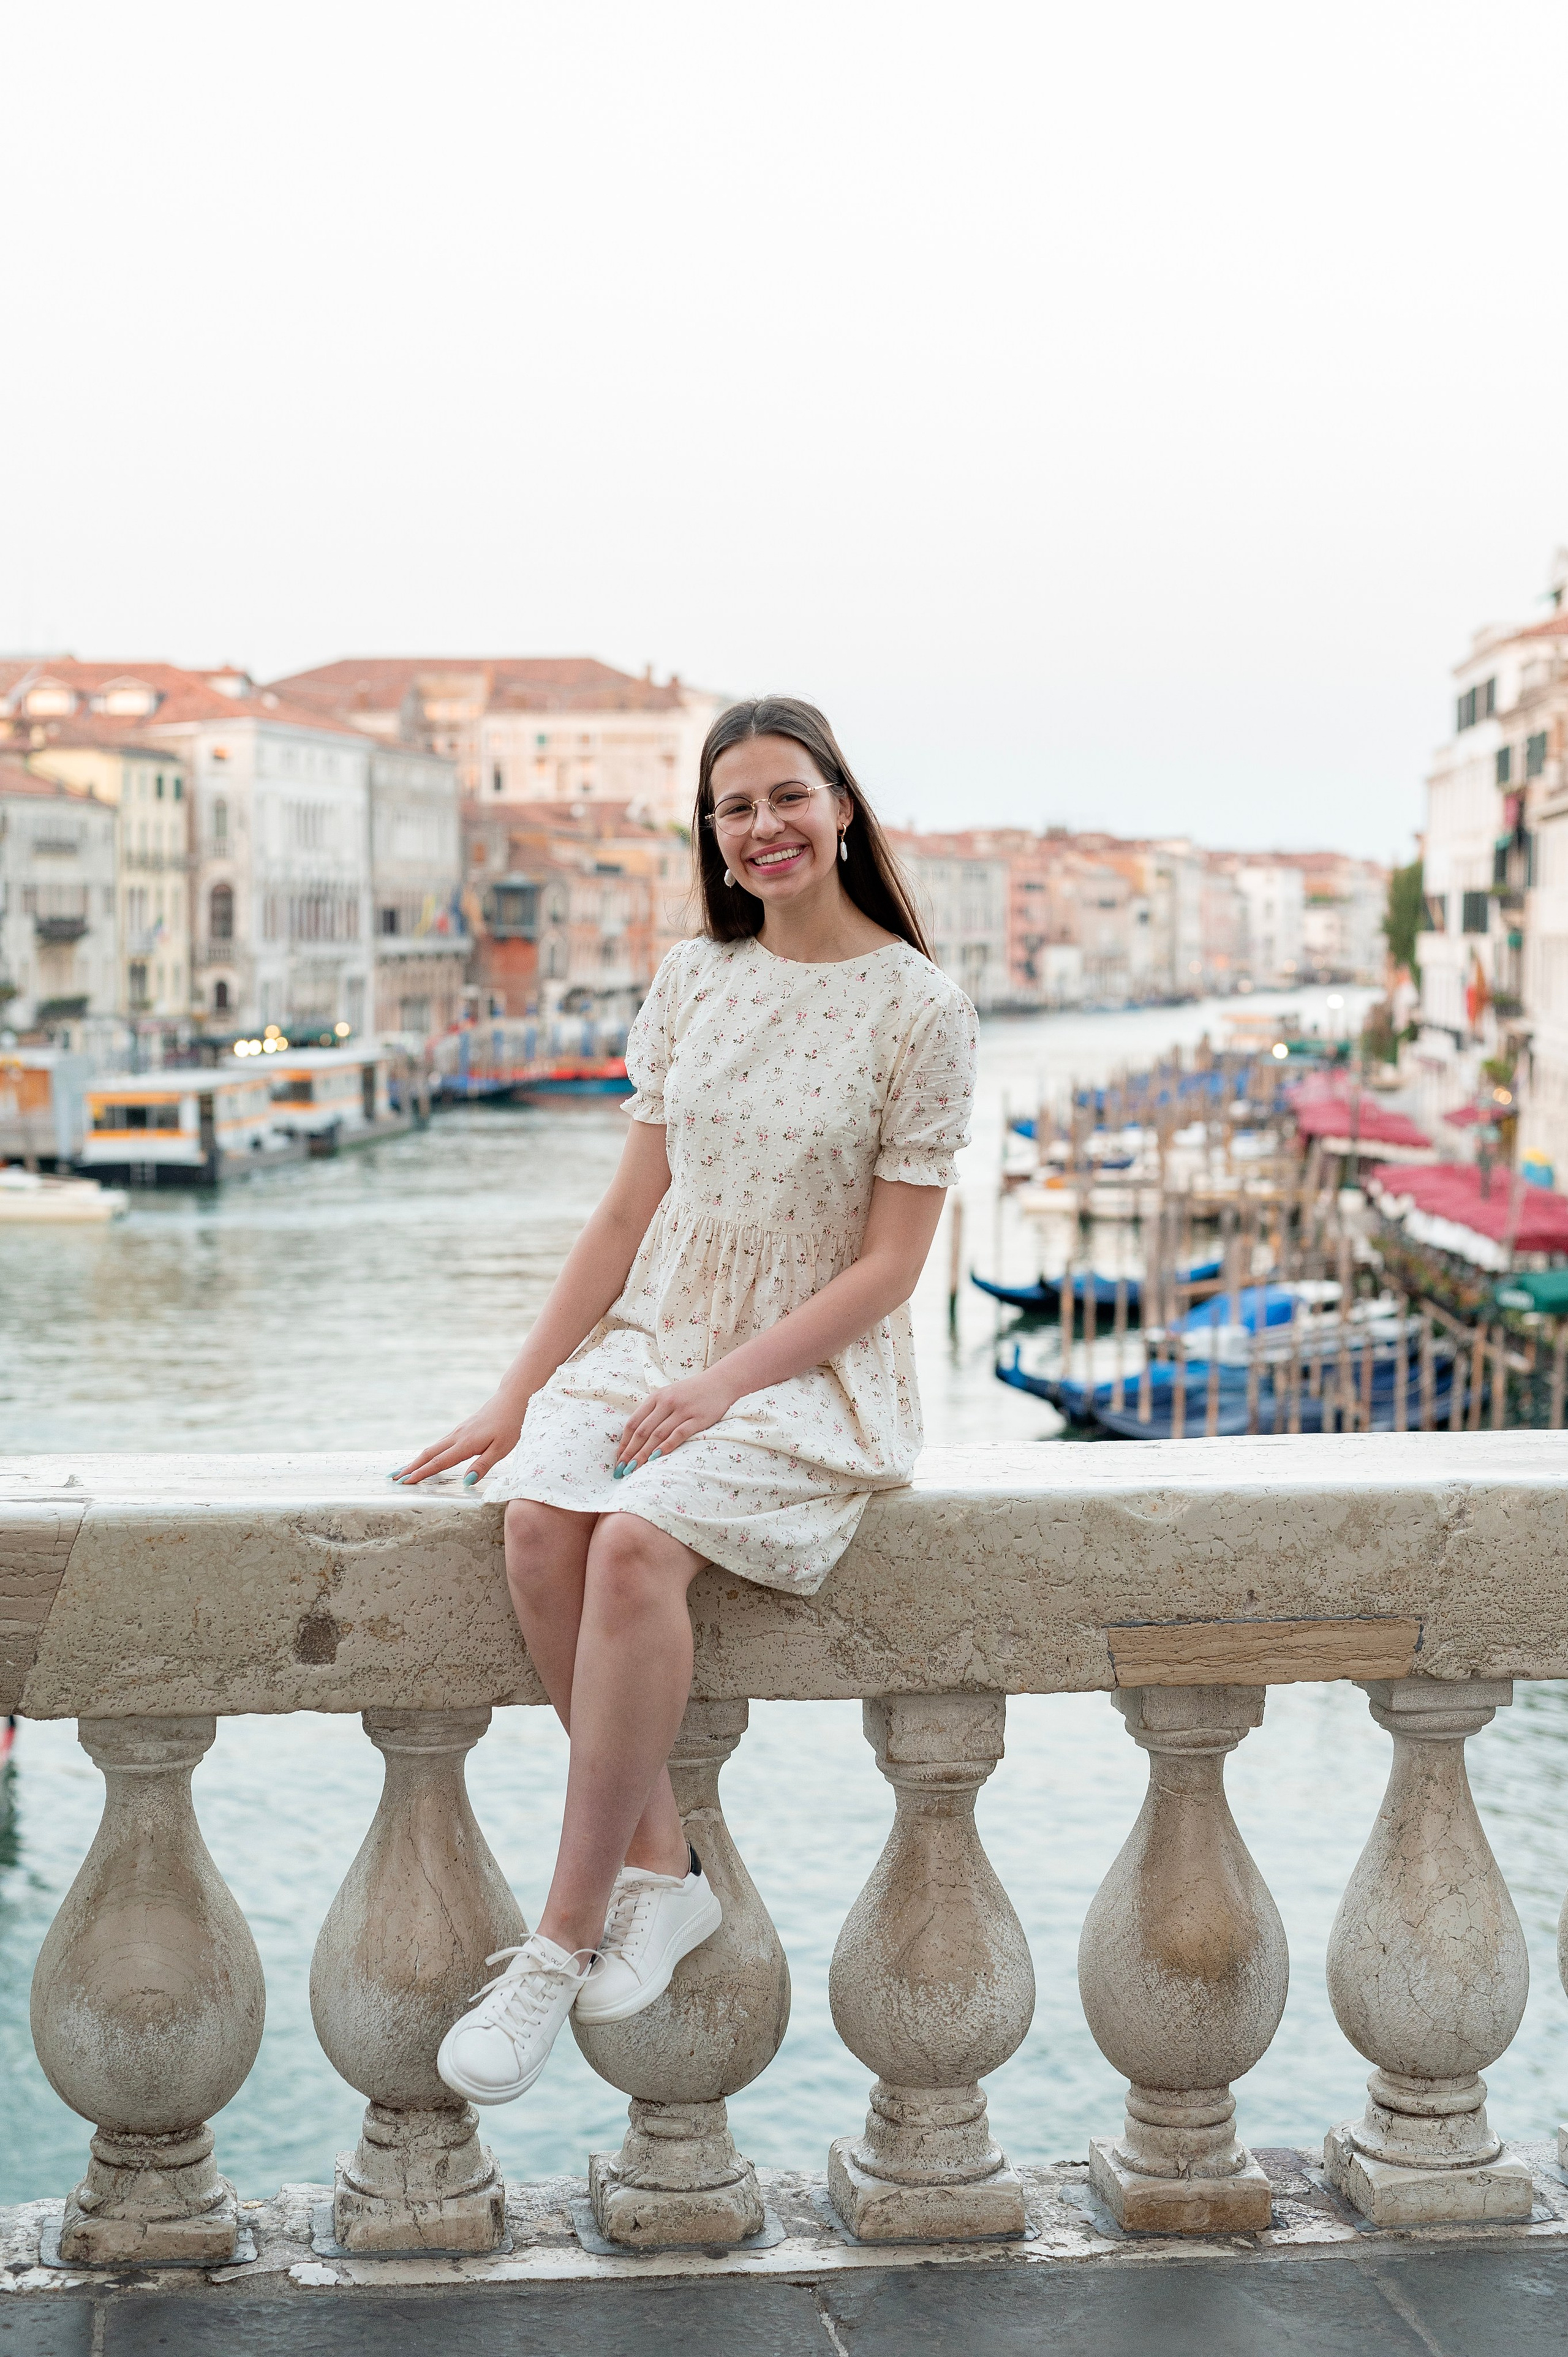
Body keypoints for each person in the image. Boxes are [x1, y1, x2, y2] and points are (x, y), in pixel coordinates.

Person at [392, 695, 977, 2108]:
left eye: (786, 797)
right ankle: (660, 1863)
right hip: (658, 1336)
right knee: (540, 1520)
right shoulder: (690, 978)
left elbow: (892, 1267)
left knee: (639, 1544)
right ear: (708, 834)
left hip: (806, 1369)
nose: (762, 828)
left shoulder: (919, 1005)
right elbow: (620, 1216)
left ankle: (556, 1941)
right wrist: (513, 1393)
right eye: (733, 809)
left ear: (839, 805)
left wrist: (725, 1383)